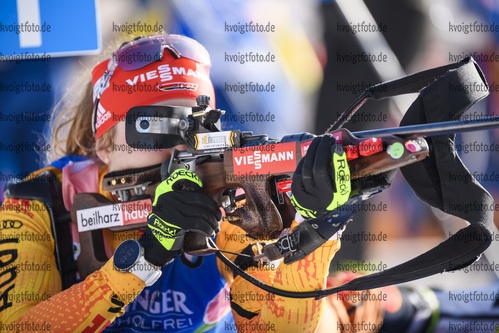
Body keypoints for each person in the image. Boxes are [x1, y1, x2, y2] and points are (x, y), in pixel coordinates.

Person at [0, 34, 356, 332]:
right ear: (104, 143)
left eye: (195, 128)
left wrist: (315, 239)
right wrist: (145, 257)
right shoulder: (38, 204)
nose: (180, 149)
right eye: (154, 127)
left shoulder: (229, 198)